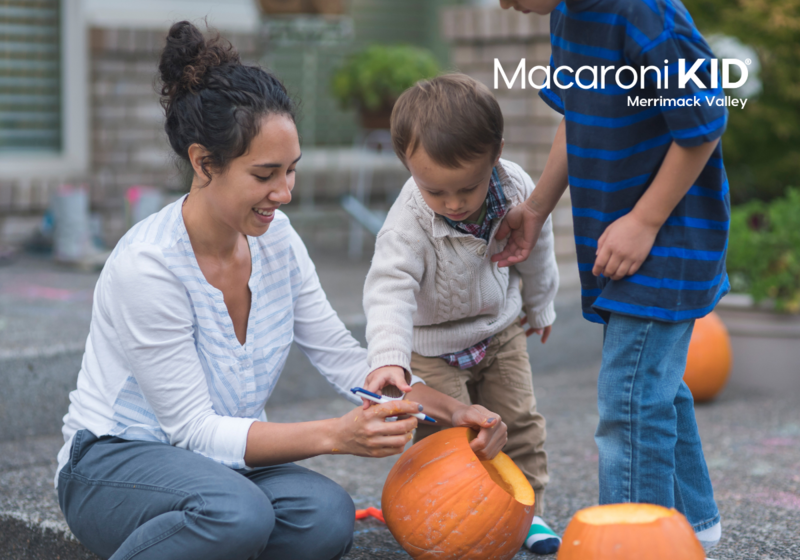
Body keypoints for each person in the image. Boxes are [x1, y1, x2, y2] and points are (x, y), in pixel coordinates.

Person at [55, 22, 507, 560]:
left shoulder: (276, 241)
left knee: (325, 517)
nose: (285, 193)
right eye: (266, 174)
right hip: (113, 464)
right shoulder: (148, 268)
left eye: (291, 171)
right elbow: (194, 431)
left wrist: (453, 412)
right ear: (204, 163)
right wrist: (337, 436)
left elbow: (342, 357)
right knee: (235, 515)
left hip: (218, 470)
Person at [495, 0, 729, 552]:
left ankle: (632, 543)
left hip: (669, 242)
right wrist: (535, 209)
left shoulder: (646, 15)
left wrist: (645, 221)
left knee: (630, 400)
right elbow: (574, 119)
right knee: (652, 389)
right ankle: (693, 527)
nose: (502, 3)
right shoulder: (568, 12)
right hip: (621, 242)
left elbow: (704, 120)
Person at [361, 74, 562, 554]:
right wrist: (388, 357)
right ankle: (445, 515)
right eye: (435, 191)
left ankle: (525, 512)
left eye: (466, 189)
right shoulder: (406, 223)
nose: (452, 203)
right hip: (430, 345)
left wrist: (540, 303)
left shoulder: (516, 188)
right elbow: (389, 289)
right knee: (452, 439)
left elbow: (536, 246)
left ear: (496, 154)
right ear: (408, 167)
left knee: (519, 422)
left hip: (499, 329)